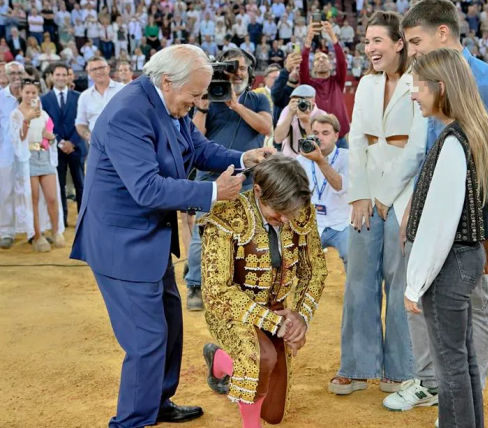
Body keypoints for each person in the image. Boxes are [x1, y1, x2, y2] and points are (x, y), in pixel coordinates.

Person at [69, 45, 275, 428]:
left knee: (170, 325)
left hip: (148, 239)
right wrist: (213, 193)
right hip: (121, 245)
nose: (198, 103)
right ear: (167, 81)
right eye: (194, 96)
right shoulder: (129, 113)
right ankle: (132, 421)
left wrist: (244, 159)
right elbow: (146, 189)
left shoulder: (167, 103)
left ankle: (156, 403)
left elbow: (197, 149)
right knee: (147, 339)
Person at [383, 0, 488, 413]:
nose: (411, 52)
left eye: (416, 42)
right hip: (449, 224)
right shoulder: (441, 95)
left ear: (443, 34)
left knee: (469, 320)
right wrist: (414, 211)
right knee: (453, 341)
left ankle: (458, 396)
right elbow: (433, 159)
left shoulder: (483, 84)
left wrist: (487, 235)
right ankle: (439, 386)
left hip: (463, 233)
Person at [405, 47, 488, 428]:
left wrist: (414, 284)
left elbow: (439, 224)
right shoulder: (475, 131)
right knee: (461, 358)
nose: (414, 93)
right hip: (464, 259)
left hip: (449, 264)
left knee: (449, 365)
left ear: (441, 87)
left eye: (418, 85)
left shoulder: (454, 140)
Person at [329, 11, 427, 396]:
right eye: (367, 42)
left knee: (399, 279)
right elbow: (356, 142)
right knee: (358, 280)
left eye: (377, 41)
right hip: (366, 195)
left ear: (398, 43)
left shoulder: (419, 81)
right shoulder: (366, 85)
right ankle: (355, 366)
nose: (369, 48)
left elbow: (418, 147)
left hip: (403, 196)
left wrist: (386, 197)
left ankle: (401, 369)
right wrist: (359, 194)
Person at [200, 155, 327, 428]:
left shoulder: (301, 212)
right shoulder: (226, 214)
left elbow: (314, 271)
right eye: (278, 211)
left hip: (277, 310)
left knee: (274, 414)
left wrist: (300, 318)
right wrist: (274, 322)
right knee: (260, 358)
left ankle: (219, 360)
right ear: (257, 191)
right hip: (231, 312)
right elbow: (216, 291)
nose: (284, 219)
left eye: (289, 212)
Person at [186, 47, 273, 311]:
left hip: (249, 177)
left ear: (250, 72)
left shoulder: (258, 100)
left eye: (243, 69)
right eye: (231, 69)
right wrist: (201, 108)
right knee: (203, 233)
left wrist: (235, 105)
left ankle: (245, 283)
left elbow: (266, 127)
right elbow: (194, 138)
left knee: (250, 232)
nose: (237, 74)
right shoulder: (207, 100)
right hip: (210, 176)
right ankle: (195, 286)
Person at [10, 77, 66, 251]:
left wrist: (50, 137)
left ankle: (57, 231)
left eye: (33, 92)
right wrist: (26, 119)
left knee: (51, 197)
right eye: (27, 92)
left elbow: (48, 132)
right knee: (32, 199)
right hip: (28, 159)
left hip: (44, 156)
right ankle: (37, 236)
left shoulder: (42, 113)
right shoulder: (16, 114)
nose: (30, 95)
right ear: (20, 93)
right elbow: (17, 138)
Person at [296, 114, 349, 271]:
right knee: (293, 257)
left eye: (325, 133)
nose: (320, 137)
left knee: (353, 256)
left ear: (336, 136)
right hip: (312, 224)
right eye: (316, 133)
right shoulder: (302, 160)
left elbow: (339, 185)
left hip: (343, 223)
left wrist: (320, 160)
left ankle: (353, 295)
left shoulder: (347, 157)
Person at [40, 63, 85, 228]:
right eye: (57, 75)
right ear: (52, 77)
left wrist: (72, 142)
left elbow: (82, 121)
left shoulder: (80, 97)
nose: (60, 78)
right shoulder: (43, 99)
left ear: (68, 76)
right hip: (55, 149)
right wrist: (60, 142)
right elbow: (45, 125)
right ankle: (61, 220)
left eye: (63, 75)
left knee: (81, 185)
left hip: (77, 147)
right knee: (59, 186)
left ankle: (83, 219)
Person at [300, 19, 350, 148]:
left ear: (330, 64)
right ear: (313, 67)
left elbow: (342, 62)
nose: (321, 60)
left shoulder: (338, 81)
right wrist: (309, 39)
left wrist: (333, 37)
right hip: (317, 140)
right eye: (317, 59)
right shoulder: (308, 85)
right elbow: (302, 64)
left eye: (324, 58)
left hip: (340, 139)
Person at [75, 57, 125, 145]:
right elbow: (80, 124)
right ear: (89, 73)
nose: (98, 72)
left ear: (108, 68)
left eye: (101, 67)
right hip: (97, 147)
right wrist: (90, 137)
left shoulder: (123, 90)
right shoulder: (84, 96)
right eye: (94, 69)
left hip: (122, 144)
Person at [0, 61, 23, 249]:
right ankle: (6, 231)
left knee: (30, 191)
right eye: (12, 73)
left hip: (28, 152)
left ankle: (32, 230)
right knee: (6, 192)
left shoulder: (30, 96)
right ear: (6, 75)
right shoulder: (0, 98)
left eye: (19, 72)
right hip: (6, 152)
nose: (16, 76)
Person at [274, 84, 326, 158]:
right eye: (296, 100)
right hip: (290, 161)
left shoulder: (321, 114)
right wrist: (290, 114)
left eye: (303, 99)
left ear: (313, 99)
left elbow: (320, 145)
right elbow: (278, 139)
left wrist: (306, 122)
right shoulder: (288, 110)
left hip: (312, 160)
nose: (300, 103)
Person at [253, 63, 281, 146]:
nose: (277, 81)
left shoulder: (285, 94)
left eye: (279, 78)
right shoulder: (256, 94)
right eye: (274, 78)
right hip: (261, 134)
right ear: (265, 79)